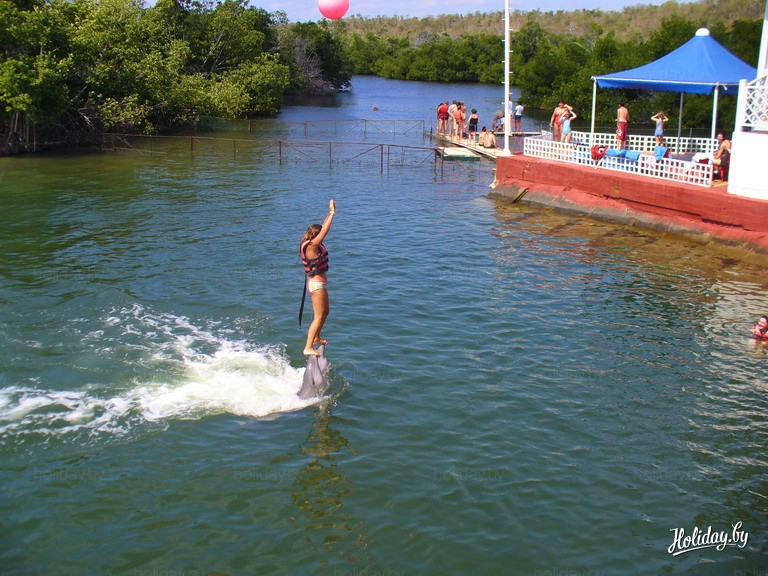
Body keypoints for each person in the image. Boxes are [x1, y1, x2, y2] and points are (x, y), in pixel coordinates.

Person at [299, 199, 336, 357]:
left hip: (319, 284)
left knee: (325, 312)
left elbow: (323, 228)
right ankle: (308, 347)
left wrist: (329, 211)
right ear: (315, 235)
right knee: (319, 316)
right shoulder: (311, 247)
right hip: (316, 285)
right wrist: (333, 214)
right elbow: (325, 231)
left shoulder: (313, 244)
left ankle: (316, 337)